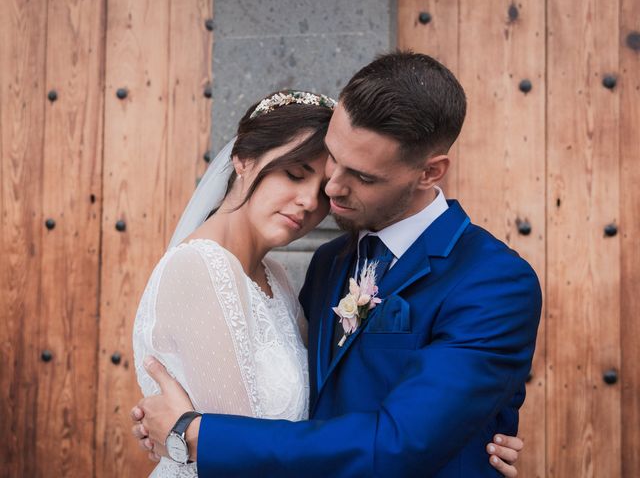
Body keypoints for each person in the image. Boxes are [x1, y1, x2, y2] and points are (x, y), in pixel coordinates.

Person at [132, 51, 536, 477]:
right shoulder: (330, 262)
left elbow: (399, 444)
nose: (331, 189)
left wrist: (197, 436)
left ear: (429, 173)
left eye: (362, 176)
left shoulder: (494, 282)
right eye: (331, 160)